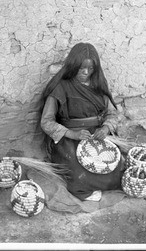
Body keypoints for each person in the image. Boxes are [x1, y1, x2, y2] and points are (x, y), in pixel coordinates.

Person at [38, 42, 123, 201]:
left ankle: (105, 183)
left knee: (114, 166)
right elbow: (46, 122)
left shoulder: (98, 85)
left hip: (96, 136)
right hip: (69, 139)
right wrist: (72, 134)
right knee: (79, 173)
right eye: (81, 68)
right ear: (73, 65)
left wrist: (105, 128)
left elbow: (112, 113)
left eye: (90, 69)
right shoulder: (61, 87)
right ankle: (84, 189)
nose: (86, 72)